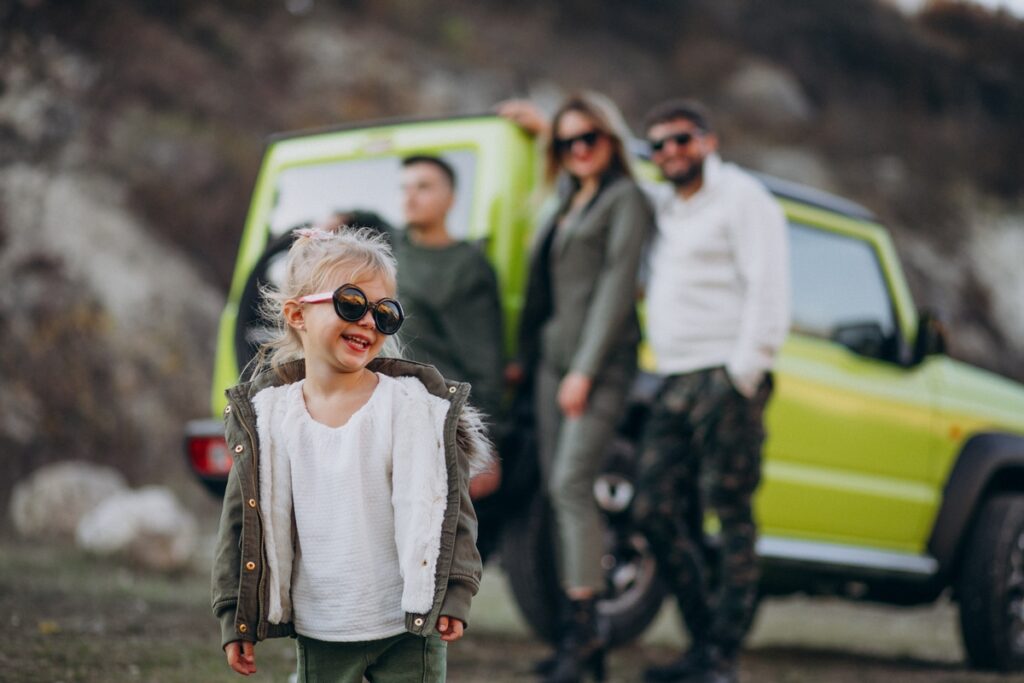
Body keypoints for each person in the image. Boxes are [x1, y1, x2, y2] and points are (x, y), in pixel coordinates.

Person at [211, 227, 492, 682]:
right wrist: (235, 615)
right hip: (321, 623)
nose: (367, 322)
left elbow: (447, 504)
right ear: (298, 315)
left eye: (384, 314)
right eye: (350, 304)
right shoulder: (270, 417)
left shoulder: (408, 407)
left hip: (408, 624)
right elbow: (241, 522)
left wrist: (456, 589)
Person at [632, 99, 790, 683]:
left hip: (725, 377)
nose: (670, 151)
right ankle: (705, 642)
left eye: (680, 139)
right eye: (658, 145)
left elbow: (768, 290)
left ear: (708, 141)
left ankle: (722, 658)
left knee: (730, 513)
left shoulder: (745, 199)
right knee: (653, 509)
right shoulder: (668, 206)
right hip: (672, 377)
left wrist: (742, 375)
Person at [502, 93, 654, 683]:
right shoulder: (568, 199)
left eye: (589, 138)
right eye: (567, 143)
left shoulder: (626, 200)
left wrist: (585, 370)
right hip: (548, 366)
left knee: (570, 484)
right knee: (556, 488)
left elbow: (617, 289)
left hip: (598, 367)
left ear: (611, 141)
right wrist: (525, 360)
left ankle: (588, 638)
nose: (579, 150)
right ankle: (575, 635)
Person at [393, 155, 505, 501]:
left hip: (441, 421)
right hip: (388, 417)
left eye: (423, 187)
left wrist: (484, 447)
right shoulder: (388, 250)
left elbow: (484, 362)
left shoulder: (467, 267)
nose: (410, 197)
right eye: (405, 188)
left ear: (451, 199)